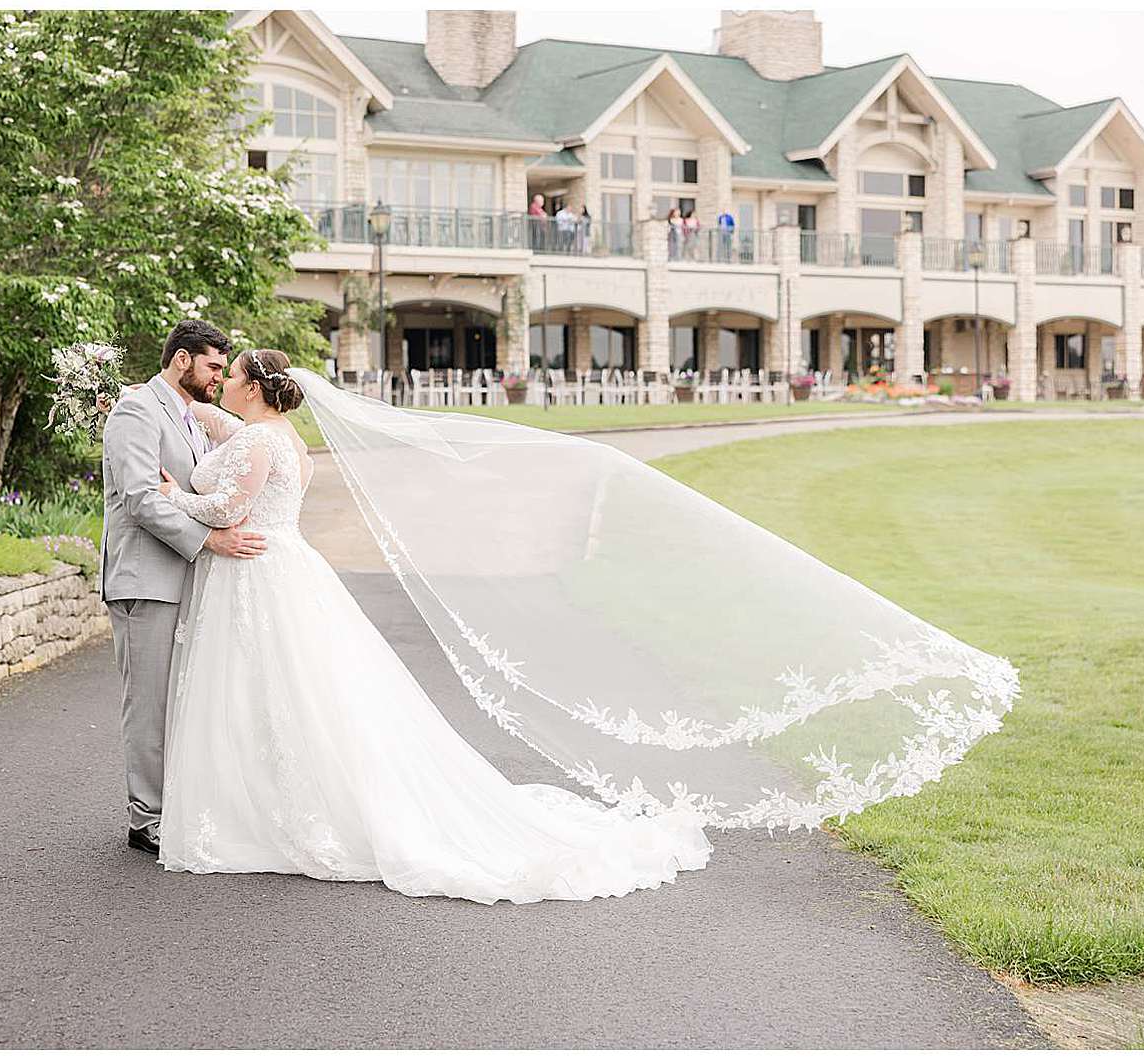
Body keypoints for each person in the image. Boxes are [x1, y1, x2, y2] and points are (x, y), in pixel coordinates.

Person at [150, 348, 714, 904]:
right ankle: (267, 800)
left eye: (233, 376)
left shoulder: (257, 440)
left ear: (252, 388)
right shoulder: (287, 438)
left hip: (255, 568)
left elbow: (227, 510)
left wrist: (176, 494)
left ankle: (261, 811)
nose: (221, 383)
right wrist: (170, 400)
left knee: (260, 690)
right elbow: (224, 427)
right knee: (295, 691)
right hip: (285, 566)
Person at [99, 320, 267, 856]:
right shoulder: (136, 410)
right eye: (213, 367)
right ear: (181, 361)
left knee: (180, 700)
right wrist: (210, 540)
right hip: (145, 577)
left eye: (224, 370)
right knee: (147, 702)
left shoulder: (189, 417)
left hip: (184, 578)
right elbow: (140, 499)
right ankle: (145, 817)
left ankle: (175, 805)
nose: (218, 379)